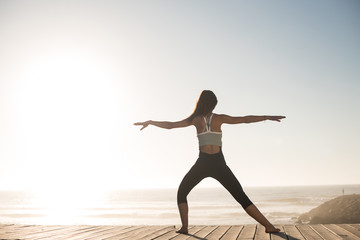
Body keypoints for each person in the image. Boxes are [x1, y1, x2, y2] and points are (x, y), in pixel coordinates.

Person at [134, 90, 285, 234]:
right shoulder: (218, 118)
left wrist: (151, 122)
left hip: (204, 163)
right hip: (217, 163)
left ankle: (185, 227)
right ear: (211, 104)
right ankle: (269, 226)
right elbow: (245, 119)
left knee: (182, 193)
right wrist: (267, 117)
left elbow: (171, 125)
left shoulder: (195, 120)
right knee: (239, 196)